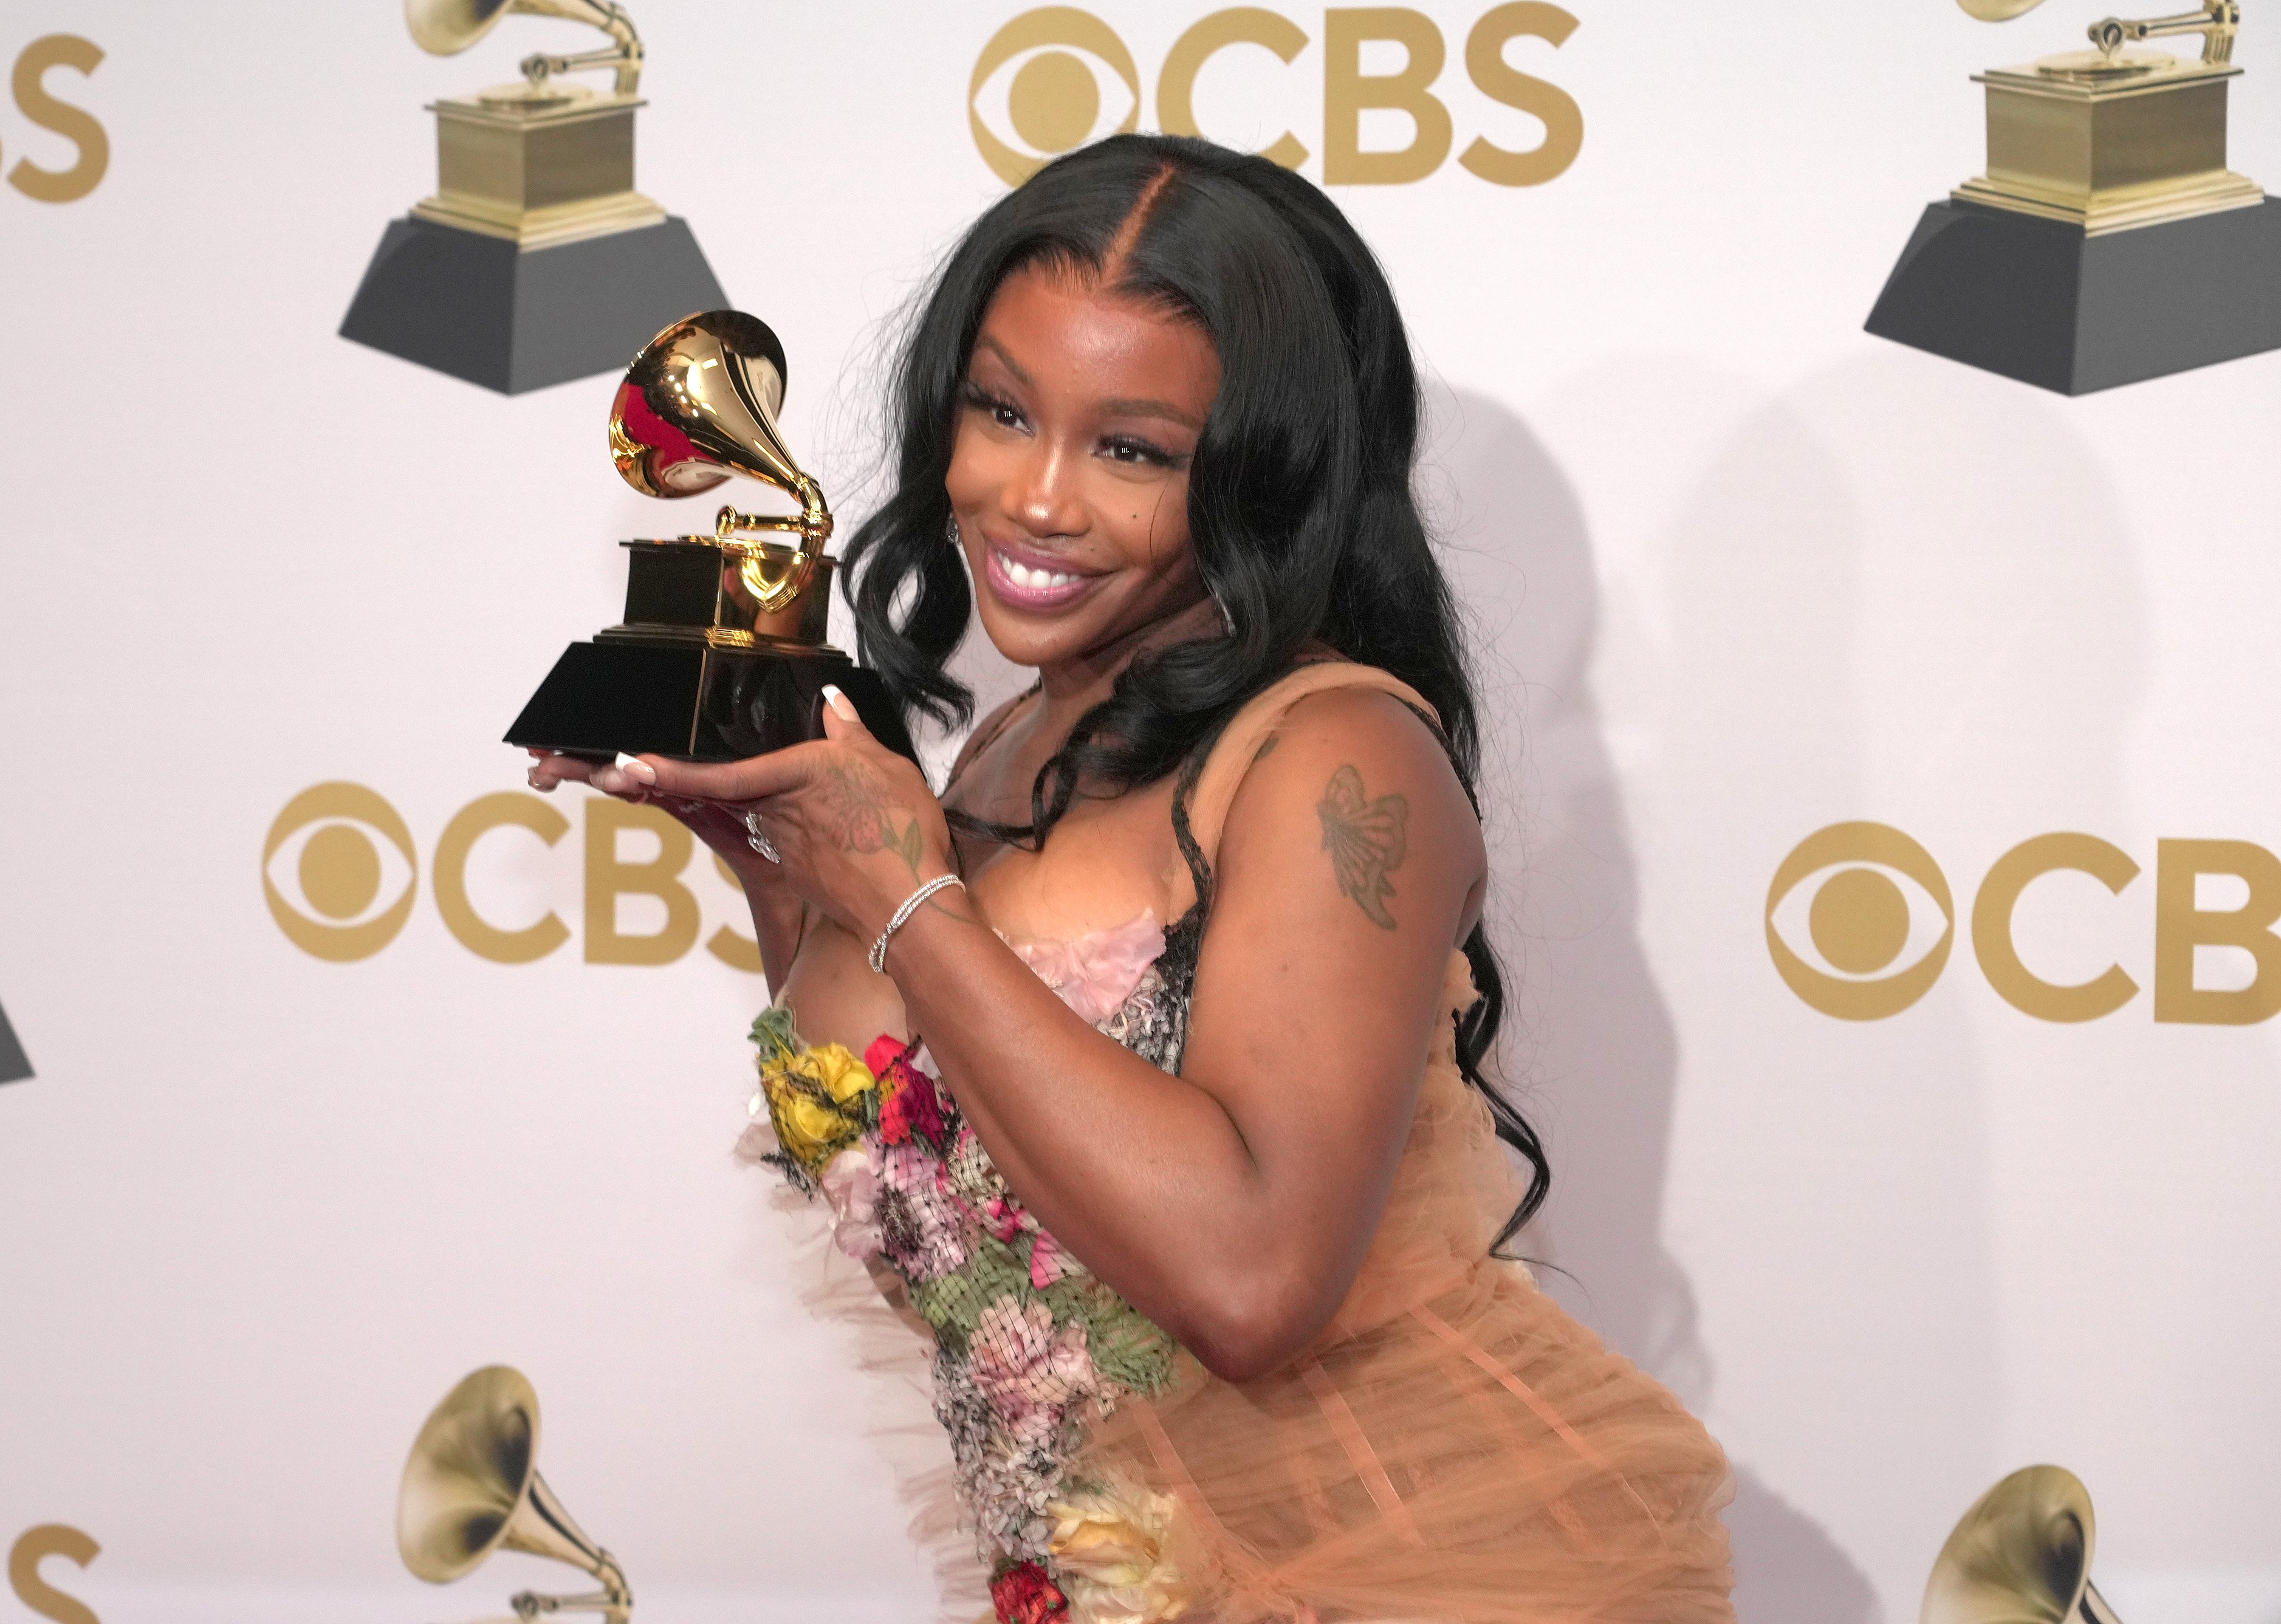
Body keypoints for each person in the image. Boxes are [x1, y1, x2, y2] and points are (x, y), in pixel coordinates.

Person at [532, 133, 1734, 1624]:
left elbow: (1246, 1283)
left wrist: (909, 900)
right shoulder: (1011, 747)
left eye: (1132, 449)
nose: (1032, 499)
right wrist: (791, 865)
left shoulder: (1334, 758)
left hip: (1402, 1574)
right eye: (999, 410)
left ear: (1261, 473)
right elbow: (938, 1175)